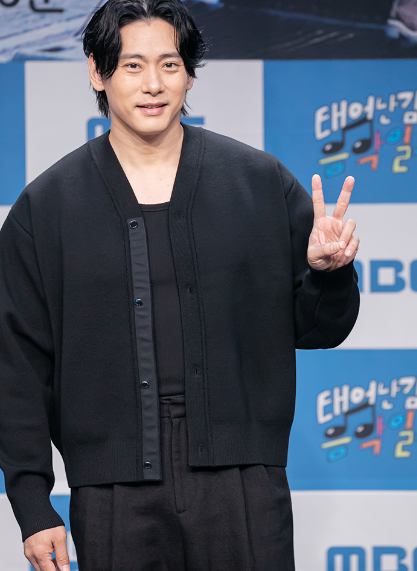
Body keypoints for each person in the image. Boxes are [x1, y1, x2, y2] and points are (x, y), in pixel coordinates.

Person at [0, 0, 360, 570]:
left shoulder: (259, 183)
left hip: (243, 479)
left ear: (189, 74)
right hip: (112, 491)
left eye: (169, 64)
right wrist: (31, 502)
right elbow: (16, 365)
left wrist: (329, 274)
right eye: (133, 65)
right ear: (97, 71)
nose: (153, 84)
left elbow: (321, 329)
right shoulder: (47, 207)